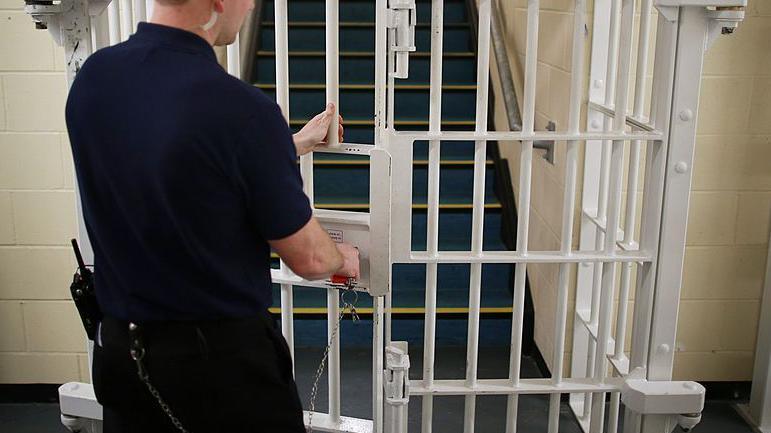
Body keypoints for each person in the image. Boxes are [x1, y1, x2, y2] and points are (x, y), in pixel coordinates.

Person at [64, 0, 359, 431]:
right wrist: (343, 257)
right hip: (218, 369)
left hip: (121, 354)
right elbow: (310, 259)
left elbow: (163, 160)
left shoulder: (95, 78)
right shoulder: (240, 110)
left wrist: (287, 145)